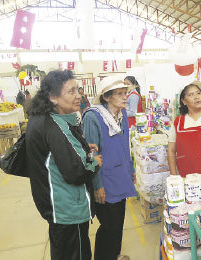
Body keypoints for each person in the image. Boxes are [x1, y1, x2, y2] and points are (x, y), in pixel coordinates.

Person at [25, 70, 102, 260]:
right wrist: (94, 162)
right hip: (67, 208)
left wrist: (82, 147)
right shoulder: (55, 126)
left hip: (56, 208)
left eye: (78, 90)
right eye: (71, 91)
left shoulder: (43, 119)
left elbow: (56, 153)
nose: (79, 96)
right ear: (53, 97)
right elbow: (77, 171)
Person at [82, 76, 137, 260]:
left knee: (119, 222)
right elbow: (90, 155)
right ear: (106, 97)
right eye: (120, 94)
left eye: (125, 93)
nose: (125, 97)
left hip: (120, 176)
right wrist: (97, 185)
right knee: (108, 226)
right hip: (104, 179)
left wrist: (131, 170)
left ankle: (115, 255)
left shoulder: (122, 116)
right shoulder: (93, 117)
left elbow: (126, 147)